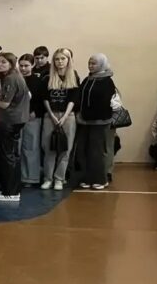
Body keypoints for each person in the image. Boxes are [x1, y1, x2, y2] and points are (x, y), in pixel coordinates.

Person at [0, 52, 30, 201]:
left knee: (7, 156)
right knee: (12, 155)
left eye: (4, 62)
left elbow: (4, 104)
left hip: (9, 120)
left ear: (11, 64)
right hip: (17, 120)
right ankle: (13, 188)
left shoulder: (10, 78)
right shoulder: (16, 76)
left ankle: (10, 192)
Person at [40, 48, 80, 190]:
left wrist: (64, 116)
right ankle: (48, 178)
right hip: (50, 115)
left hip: (68, 116)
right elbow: (45, 98)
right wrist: (51, 115)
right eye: (57, 59)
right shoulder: (47, 77)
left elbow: (73, 99)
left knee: (65, 149)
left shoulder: (74, 76)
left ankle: (59, 178)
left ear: (68, 60)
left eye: (63, 59)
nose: (60, 62)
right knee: (48, 148)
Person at [76, 54, 117, 190]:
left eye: (94, 63)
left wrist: (92, 115)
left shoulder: (107, 81)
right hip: (84, 121)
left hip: (99, 122)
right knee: (84, 150)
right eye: (89, 63)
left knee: (97, 152)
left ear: (102, 65)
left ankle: (100, 179)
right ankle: (87, 178)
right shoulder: (87, 79)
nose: (90, 66)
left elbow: (105, 102)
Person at [18, 54, 45, 187]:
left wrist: (35, 112)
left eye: (26, 66)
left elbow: (42, 100)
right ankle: (17, 176)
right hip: (17, 118)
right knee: (17, 148)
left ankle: (31, 177)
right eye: (21, 65)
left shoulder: (38, 81)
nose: (23, 68)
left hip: (32, 118)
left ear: (33, 65)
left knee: (31, 148)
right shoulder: (16, 79)